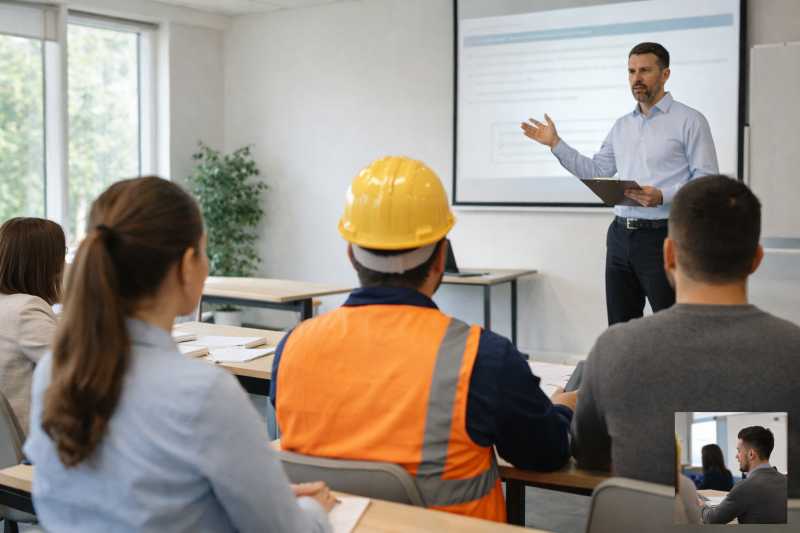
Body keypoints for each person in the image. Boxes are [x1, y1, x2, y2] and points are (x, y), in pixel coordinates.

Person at [271, 156, 576, 522]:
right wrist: (564, 407)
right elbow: (545, 454)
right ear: (440, 259)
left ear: (351, 253)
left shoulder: (292, 347)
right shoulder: (483, 357)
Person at [23, 177, 334, 532]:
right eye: (204, 252)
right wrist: (313, 509)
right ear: (187, 264)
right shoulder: (204, 393)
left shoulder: (55, 371)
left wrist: (269, 498)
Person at [571, 176, 800, 499]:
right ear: (757, 259)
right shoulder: (793, 352)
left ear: (668, 254)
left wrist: (568, 405)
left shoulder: (613, 349)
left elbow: (590, 455)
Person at [521, 42, 719, 325]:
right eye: (631, 71)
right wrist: (556, 144)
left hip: (664, 237)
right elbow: (598, 170)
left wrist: (663, 195)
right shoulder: (622, 126)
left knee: (673, 327)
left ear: (665, 75)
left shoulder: (690, 121)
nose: (637, 78)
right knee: (620, 328)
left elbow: (707, 182)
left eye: (645, 71)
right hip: (619, 237)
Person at [0, 217, 65, 433]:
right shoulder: (26, 309)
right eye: (62, 255)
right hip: (29, 453)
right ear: (48, 265)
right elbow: (77, 368)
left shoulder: (9, 305)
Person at [702, 426, 787, 524]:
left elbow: (712, 520)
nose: (736, 456)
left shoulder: (745, 487)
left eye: (739, 451)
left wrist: (701, 507)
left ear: (751, 454)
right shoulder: (785, 481)